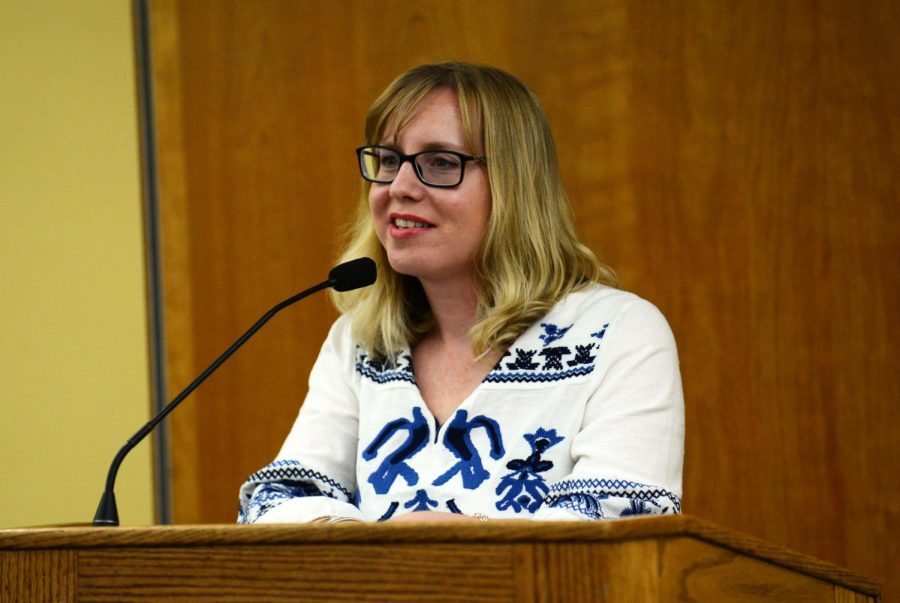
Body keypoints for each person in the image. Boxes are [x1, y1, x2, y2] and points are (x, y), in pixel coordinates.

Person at [238, 62, 684, 524]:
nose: (399, 187)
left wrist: (448, 538)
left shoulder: (616, 333)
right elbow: (274, 501)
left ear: (515, 185)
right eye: (389, 160)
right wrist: (378, 546)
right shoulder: (362, 341)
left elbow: (621, 526)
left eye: (441, 163)